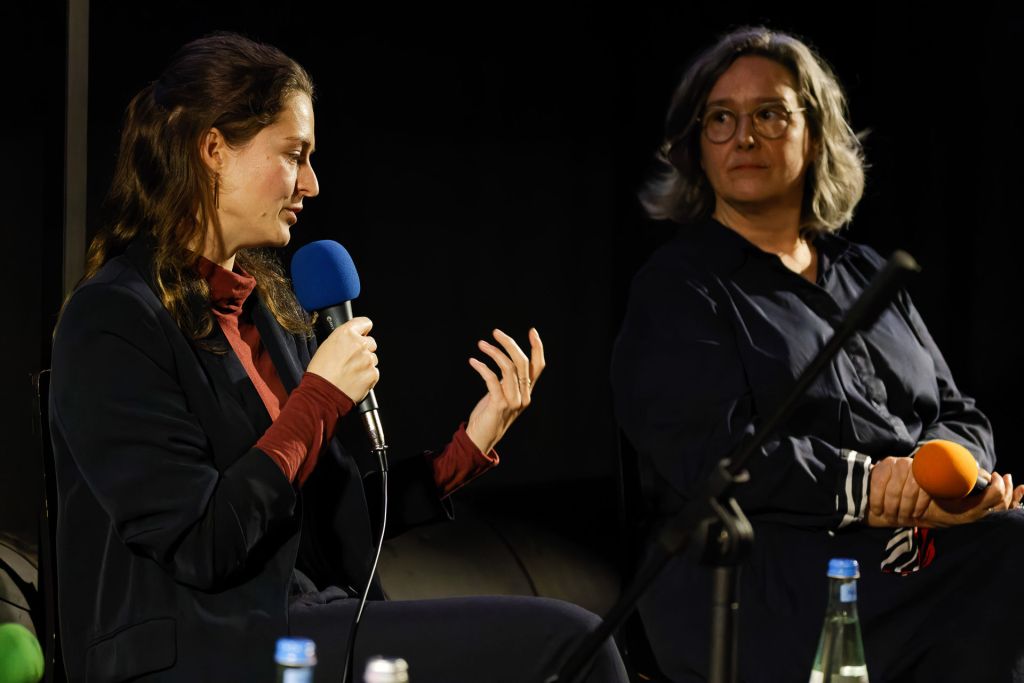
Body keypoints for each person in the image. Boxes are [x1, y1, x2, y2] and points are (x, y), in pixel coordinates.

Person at [50, 33, 627, 683]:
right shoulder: (113, 319)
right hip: (201, 649)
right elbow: (202, 542)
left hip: (304, 622)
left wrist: (466, 448)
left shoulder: (267, 313)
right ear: (213, 150)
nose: (312, 183)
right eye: (294, 154)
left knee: (574, 642)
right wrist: (319, 399)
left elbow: (333, 521)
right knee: (568, 642)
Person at [611, 26, 1024, 683]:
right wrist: (876, 488)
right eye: (720, 118)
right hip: (763, 579)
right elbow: (713, 455)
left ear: (817, 133)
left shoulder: (866, 272)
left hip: (906, 548)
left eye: (769, 114)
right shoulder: (679, 287)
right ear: (697, 145)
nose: (744, 137)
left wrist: (940, 477)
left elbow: (957, 412)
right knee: (1012, 549)